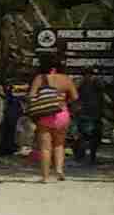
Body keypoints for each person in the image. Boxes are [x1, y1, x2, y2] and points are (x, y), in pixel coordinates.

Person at [25, 49, 79, 180]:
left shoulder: (40, 78)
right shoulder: (66, 79)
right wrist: (63, 101)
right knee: (59, 144)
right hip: (62, 114)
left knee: (45, 147)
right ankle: (59, 170)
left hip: (45, 114)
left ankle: (45, 176)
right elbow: (75, 97)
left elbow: (31, 96)